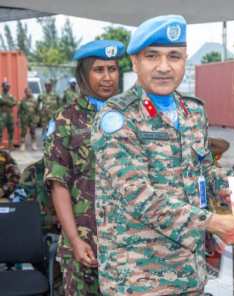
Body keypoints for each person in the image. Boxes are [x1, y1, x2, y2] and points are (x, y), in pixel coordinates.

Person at [91, 15, 234, 295]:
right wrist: (214, 223)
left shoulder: (192, 111)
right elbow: (136, 195)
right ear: (134, 61)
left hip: (188, 270)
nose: (164, 67)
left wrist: (231, 182)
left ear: (185, 60)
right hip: (138, 276)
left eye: (174, 56)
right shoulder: (117, 118)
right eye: (152, 56)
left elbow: (202, 171)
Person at [44, 39, 125, 295]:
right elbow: (59, 185)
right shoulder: (66, 119)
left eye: (112, 69)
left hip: (127, 241)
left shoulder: (131, 115)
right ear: (83, 73)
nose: (107, 77)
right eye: (98, 70)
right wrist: (75, 241)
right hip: (84, 242)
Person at [18, 155, 63, 295]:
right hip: (48, 229)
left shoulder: (82, 168)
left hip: (81, 227)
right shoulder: (33, 171)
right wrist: (53, 219)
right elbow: (22, 212)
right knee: (43, 248)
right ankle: (57, 287)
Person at [0, 81, 18, 150]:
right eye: (7, 86)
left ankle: (10, 145)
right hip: (2, 116)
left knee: (11, 131)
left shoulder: (10, 96)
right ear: (3, 86)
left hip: (10, 116)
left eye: (9, 86)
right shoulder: (0, 95)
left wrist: (5, 102)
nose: (8, 88)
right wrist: (8, 102)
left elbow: (15, 103)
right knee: (0, 131)